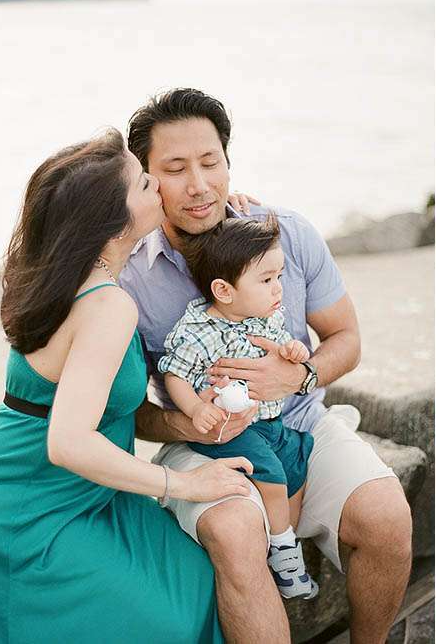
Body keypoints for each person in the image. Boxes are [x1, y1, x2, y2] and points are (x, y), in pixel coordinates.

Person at [121, 88, 412, 644]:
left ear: (229, 162)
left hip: (302, 421)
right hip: (205, 440)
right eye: (176, 169)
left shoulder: (288, 233)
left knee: (387, 517)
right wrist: (190, 422)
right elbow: (130, 413)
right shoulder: (130, 277)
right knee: (233, 533)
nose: (199, 184)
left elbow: (347, 339)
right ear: (147, 178)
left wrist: (299, 376)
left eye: (210, 163)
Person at [0, 129, 253, 642]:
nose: (162, 188)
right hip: (30, 517)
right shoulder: (106, 305)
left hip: (83, 496)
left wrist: (226, 208)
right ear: (114, 222)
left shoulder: (55, 274)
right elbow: (67, 442)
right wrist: (185, 484)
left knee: (192, 577)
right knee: (172, 618)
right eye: (147, 184)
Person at [161, 216, 317, 600]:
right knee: (272, 473)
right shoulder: (200, 331)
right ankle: (284, 554)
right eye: (266, 280)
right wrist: (197, 410)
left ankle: (279, 537)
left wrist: (292, 353)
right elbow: (175, 375)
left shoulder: (267, 318)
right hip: (228, 430)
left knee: (299, 456)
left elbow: (283, 348)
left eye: (278, 276)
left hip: (269, 421)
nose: (278, 288)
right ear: (224, 291)